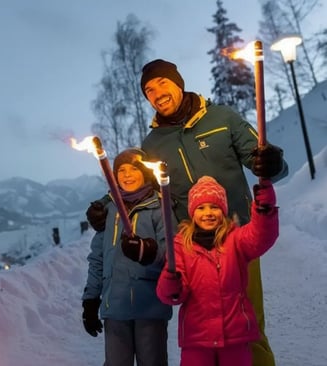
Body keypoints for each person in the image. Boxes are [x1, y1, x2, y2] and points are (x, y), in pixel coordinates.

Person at [138, 59, 287, 366]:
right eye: (149, 90)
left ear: (178, 83)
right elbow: (140, 189)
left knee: (248, 327)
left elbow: (262, 159)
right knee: (203, 336)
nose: (156, 93)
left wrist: (272, 164)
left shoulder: (222, 118)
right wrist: (108, 205)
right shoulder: (152, 146)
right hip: (193, 252)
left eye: (162, 83)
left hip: (238, 241)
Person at [156, 176, 279, 366]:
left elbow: (261, 236)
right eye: (201, 208)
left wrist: (265, 207)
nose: (208, 213)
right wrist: (171, 284)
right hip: (197, 340)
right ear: (192, 212)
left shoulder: (236, 239)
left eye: (214, 207)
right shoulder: (181, 246)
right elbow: (173, 294)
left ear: (223, 210)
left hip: (235, 338)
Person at [81, 147, 176, 366]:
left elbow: (172, 252)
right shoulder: (109, 211)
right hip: (115, 305)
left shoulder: (160, 208)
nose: (126, 175)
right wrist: (91, 300)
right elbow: (97, 258)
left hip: (150, 306)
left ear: (145, 173)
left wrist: (147, 251)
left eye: (133, 169)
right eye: (121, 170)